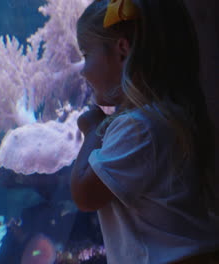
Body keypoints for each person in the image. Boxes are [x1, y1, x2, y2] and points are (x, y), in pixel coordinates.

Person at [69, 0, 219, 263]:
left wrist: (92, 131)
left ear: (122, 50)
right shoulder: (171, 116)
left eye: (86, 55)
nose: (83, 70)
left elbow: (85, 194)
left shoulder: (138, 127)